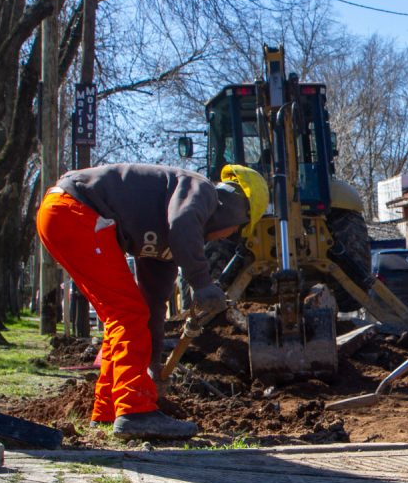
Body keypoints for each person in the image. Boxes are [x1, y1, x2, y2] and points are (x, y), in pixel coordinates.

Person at [36, 163, 262, 440]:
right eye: (236, 229)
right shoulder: (201, 190)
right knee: (128, 314)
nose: (228, 237)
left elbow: (152, 308)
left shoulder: (164, 244)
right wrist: (202, 283)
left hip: (64, 213)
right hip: (75, 210)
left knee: (124, 315)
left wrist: (153, 367)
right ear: (233, 212)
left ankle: (108, 410)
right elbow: (183, 223)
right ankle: (135, 411)